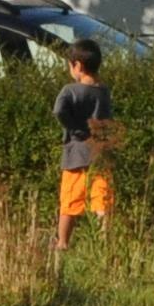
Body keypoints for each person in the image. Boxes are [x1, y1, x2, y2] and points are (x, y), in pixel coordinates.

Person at [53, 39, 120, 260]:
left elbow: (58, 111)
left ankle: (62, 243)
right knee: (102, 200)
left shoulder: (70, 90)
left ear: (78, 65)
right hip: (100, 153)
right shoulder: (104, 91)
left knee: (69, 202)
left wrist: (74, 127)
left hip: (75, 154)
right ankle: (105, 244)